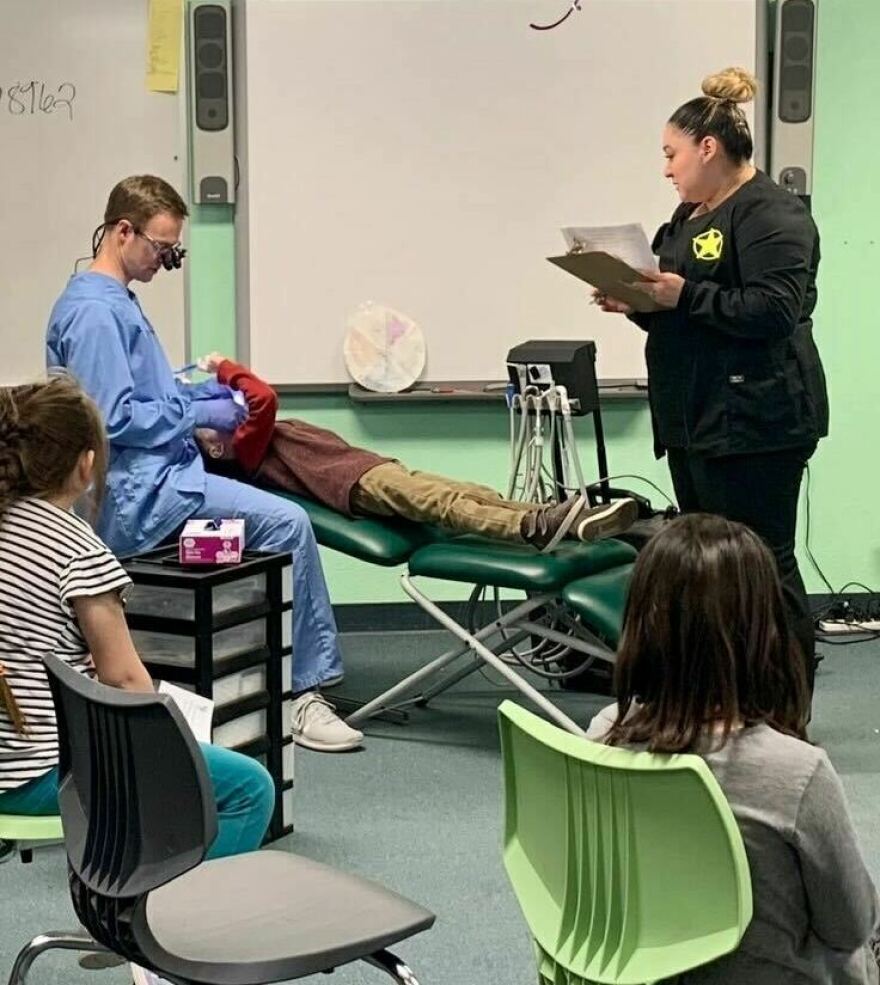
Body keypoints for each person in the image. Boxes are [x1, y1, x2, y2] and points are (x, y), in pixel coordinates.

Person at [45, 175, 361, 753]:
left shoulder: (111, 302)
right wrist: (192, 413)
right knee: (287, 523)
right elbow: (111, 421)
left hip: (166, 479)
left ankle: (268, 672)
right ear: (122, 232)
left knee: (272, 483)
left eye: (174, 251)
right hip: (144, 500)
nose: (166, 262)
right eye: (161, 249)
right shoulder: (94, 314)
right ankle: (305, 696)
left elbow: (140, 394)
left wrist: (191, 394)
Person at [594, 67, 828, 689]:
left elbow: (774, 311)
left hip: (759, 420)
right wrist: (640, 305)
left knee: (760, 562)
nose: (665, 169)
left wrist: (682, 298)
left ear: (708, 147)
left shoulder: (773, 215)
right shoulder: (686, 218)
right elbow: (688, 314)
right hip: (695, 417)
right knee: (709, 567)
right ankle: (722, 694)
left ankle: (787, 702)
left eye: (671, 154)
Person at [586, 513, 879, 984]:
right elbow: (848, 926)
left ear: (640, 619)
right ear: (764, 629)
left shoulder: (603, 735)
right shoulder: (796, 773)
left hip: (644, 972)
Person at [0, 377, 274, 859]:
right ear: (86, 463)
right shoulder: (78, 551)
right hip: (36, 775)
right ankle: (174, 917)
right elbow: (126, 681)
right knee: (250, 788)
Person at [191, 355, 639, 549]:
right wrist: (228, 370)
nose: (232, 409)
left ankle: (566, 520)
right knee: (442, 503)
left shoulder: (248, 439)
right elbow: (263, 397)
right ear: (215, 444)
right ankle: (532, 526)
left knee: (467, 489)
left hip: (369, 469)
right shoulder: (246, 451)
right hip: (353, 484)